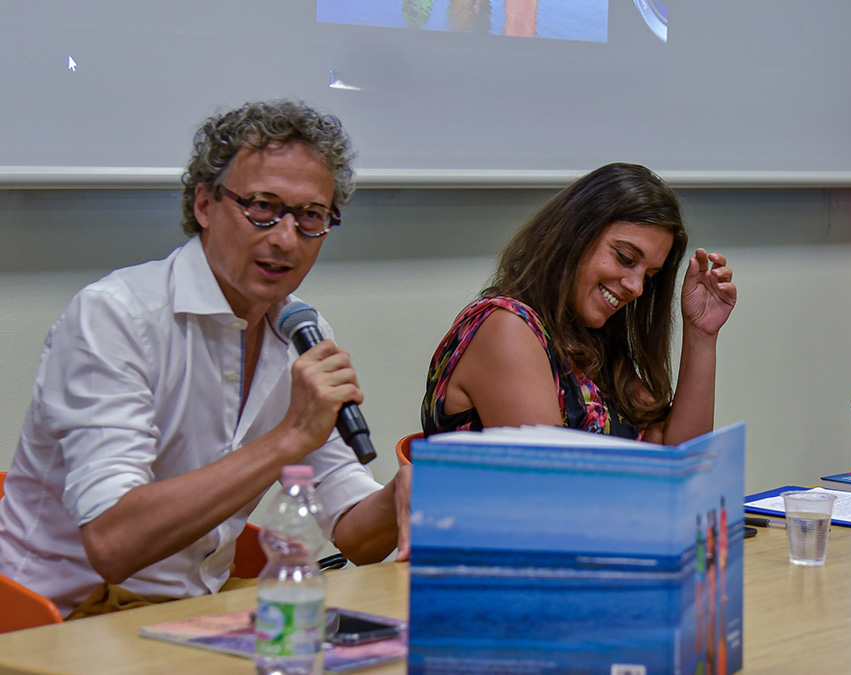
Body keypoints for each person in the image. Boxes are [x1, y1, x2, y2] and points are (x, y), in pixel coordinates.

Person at [0, 100, 410, 618]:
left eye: (311, 216)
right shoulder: (114, 316)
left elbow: (356, 536)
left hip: (190, 608)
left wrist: (404, 494)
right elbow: (112, 542)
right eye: (261, 206)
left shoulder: (300, 330)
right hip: (59, 615)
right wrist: (289, 437)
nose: (285, 239)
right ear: (204, 205)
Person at [421, 162, 736, 445]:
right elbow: (555, 483)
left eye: (649, 276)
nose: (637, 287)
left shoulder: (594, 341)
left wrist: (701, 334)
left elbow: (681, 461)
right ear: (576, 234)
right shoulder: (507, 327)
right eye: (625, 258)